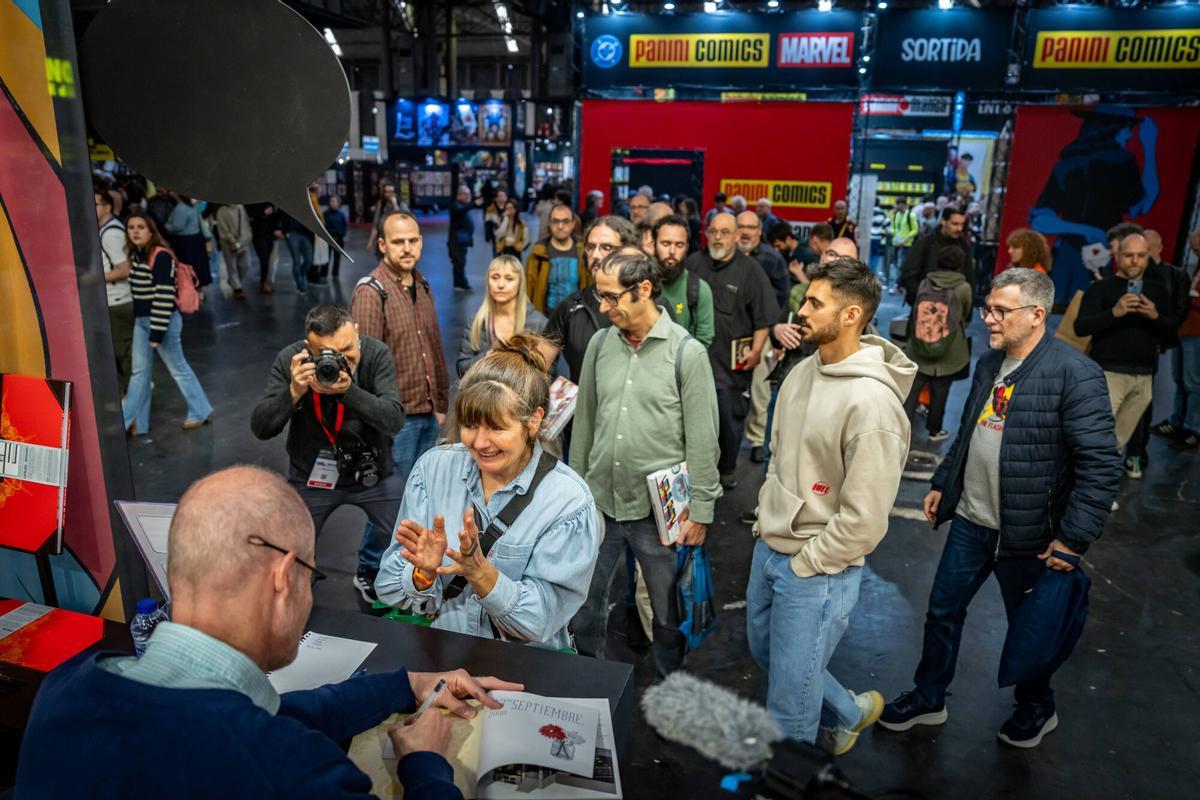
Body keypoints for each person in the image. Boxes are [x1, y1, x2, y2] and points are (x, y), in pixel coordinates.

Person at [16, 464, 518, 799]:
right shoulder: (291, 771)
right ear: (282, 579)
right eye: (311, 576)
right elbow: (256, 734)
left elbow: (266, 714)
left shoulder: (63, 690)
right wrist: (426, 767)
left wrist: (403, 684)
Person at [880, 268, 1122, 748]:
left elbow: (1101, 466)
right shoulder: (991, 363)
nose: (987, 319)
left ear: (1037, 315)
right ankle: (930, 697)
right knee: (942, 612)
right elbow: (970, 429)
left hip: (1030, 534)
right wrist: (944, 483)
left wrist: (1073, 538)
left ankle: (1037, 706)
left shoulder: (1075, 375)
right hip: (972, 521)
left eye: (999, 311)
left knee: (1031, 630)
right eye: (988, 308)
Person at [749, 257, 914, 754]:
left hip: (817, 572)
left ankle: (786, 781)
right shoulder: (802, 372)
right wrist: (764, 520)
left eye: (815, 303)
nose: (802, 310)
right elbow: (780, 459)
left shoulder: (873, 405)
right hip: (770, 548)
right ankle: (850, 710)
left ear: (851, 315)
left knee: (788, 709)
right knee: (770, 658)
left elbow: (864, 520)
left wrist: (808, 564)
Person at [376, 336, 601, 649]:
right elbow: (387, 585)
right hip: (442, 658)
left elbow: (540, 620)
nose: (479, 443)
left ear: (533, 421)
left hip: (524, 672)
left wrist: (481, 573)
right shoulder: (434, 469)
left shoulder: (567, 503)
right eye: (469, 424)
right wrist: (422, 576)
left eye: (496, 427)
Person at [569, 250, 721, 675]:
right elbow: (584, 424)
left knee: (669, 614)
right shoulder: (601, 345)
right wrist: (575, 492)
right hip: (599, 505)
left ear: (645, 291)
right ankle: (586, 679)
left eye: (613, 297)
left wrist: (702, 511)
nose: (604, 307)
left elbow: (704, 441)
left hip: (661, 516)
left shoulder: (686, 355)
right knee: (583, 604)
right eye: (600, 296)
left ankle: (672, 683)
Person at [250, 304, 406, 597]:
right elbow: (261, 427)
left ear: (358, 333)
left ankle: (406, 597)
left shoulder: (375, 354)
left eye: (347, 349)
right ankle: (294, 608)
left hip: (372, 473)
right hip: (311, 475)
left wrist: (349, 392)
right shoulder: (291, 360)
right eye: (329, 354)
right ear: (309, 347)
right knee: (291, 554)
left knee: (410, 540)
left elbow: (394, 420)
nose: (340, 361)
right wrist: (294, 392)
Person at [350, 212, 450, 603]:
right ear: (383, 244)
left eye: (413, 240)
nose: (407, 248)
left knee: (420, 498)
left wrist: (441, 402)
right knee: (392, 500)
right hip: (396, 418)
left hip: (428, 410)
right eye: (398, 241)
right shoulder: (371, 292)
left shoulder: (422, 285)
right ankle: (369, 568)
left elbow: (433, 349)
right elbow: (364, 365)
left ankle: (403, 568)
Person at [682, 212, 778, 489]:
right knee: (691, 422)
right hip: (693, 363)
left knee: (729, 421)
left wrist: (757, 350)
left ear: (736, 236)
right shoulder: (693, 264)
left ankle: (726, 471)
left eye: (725, 232)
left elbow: (763, 318)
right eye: (713, 231)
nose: (718, 238)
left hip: (730, 366)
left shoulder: (750, 270)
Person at [1073, 233, 1177, 453]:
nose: (1135, 260)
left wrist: (1154, 315)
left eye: (1140, 255)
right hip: (1108, 373)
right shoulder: (1101, 288)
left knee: (1117, 442)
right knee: (1094, 437)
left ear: (1148, 256)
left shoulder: (1157, 290)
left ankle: (1102, 480)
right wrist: (1114, 312)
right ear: (1118, 256)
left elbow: (1170, 331)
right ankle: (1080, 482)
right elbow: (1080, 327)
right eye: (1129, 255)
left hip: (1144, 375)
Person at [122, 211, 213, 435]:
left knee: (178, 369)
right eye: (131, 227)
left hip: (162, 321)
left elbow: (164, 295)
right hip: (142, 322)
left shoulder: (161, 256)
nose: (135, 231)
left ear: (151, 231)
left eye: (141, 227)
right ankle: (138, 423)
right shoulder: (137, 255)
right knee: (139, 373)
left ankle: (199, 410)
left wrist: (156, 333)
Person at [541, 215, 640, 383]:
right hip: (585, 406)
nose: (595, 255)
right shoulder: (570, 306)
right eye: (591, 247)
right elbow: (540, 365)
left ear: (628, 253)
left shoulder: (648, 303)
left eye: (606, 247)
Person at [902, 248, 974, 441]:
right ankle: (934, 431)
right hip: (949, 351)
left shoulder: (926, 282)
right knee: (940, 392)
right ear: (960, 264)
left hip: (919, 345)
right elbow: (966, 312)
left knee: (912, 392)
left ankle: (900, 429)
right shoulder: (964, 287)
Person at [458, 255, 547, 377]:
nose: (500, 284)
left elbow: (546, 374)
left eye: (509, 279)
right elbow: (462, 369)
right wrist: (490, 353)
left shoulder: (538, 323)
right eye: (495, 277)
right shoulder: (477, 320)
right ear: (488, 282)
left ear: (520, 283)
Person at [1152, 228, 1200, 450]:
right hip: (1183, 331)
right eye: (1193, 248)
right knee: (1179, 379)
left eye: (1197, 248)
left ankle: (1193, 429)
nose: (1194, 252)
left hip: (1197, 333)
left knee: (1193, 382)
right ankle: (1176, 421)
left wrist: (1190, 298)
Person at [654, 214, 714, 347]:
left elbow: (704, 340)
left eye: (679, 245)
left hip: (681, 365)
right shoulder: (640, 284)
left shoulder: (699, 289)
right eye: (665, 243)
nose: (672, 251)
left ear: (687, 248)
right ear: (654, 244)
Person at [96, 188, 133, 394]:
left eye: (96, 205)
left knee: (123, 351)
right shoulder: (106, 230)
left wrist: (93, 278)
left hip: (119, 299)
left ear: (108, 207)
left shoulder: (110, 234)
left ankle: (133, 398)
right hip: (114, 299)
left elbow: (124, 269)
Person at [900, 207, 974, 306]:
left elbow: (969, 275)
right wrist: (921, 297)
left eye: (962, 224)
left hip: (954, 306)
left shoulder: (963, 245)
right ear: (943, 221)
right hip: (925, 304)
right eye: (955, 224)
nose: (959, 229)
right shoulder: (926, 242)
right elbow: (908, 273)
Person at [526, 203, 588, 314]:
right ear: (550, 224)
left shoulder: (583, 252)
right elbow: (528, 288)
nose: (560, 226)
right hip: (545, 320)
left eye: (565, 221)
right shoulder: (539, 253)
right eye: (555, 221)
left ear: (573, 224)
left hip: (577, 318)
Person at [163, 193, 211, 290]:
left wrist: (167, 226)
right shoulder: (191, 205)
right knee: (198, 267)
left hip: (186, 243)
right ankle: (198, 290)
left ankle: (192, 293)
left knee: (188, 269)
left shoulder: (181, 208)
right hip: (195, 240)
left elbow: (177, 226)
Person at [215, 202, 253, 300]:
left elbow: (245, 223)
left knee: (246, 264)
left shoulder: (240, 207)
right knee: (231, 265)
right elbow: (223, 230)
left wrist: (245, 238)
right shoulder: (221, 211)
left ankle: (235, 282)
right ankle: (237, 288)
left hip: (243, 240)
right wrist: (233, 242)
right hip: (228, 243)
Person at [277, 209, 315, 292]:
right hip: (291, 232)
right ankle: (300, 284)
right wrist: (278, 228)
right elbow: (279, 214)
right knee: (296, 260)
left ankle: (300, 275)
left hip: (305, 233)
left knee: (309, 260)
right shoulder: (286, 201)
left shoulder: (305, 199)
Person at [888, 197, 919, 294]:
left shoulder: (911, 215)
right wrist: (893, 233)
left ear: (904, 204)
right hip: (896, 243)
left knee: (902, 265)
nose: (897, 206)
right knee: (897, 265)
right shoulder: (896, 214)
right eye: (897, 204)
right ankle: (901, 285)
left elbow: (915, 230)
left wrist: (906, 238)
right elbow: (893, 228)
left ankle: (898, 285)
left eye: (899, 204)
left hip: (907, 244)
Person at [448, 184, 476, 291]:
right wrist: (474, 204)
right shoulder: (455, 205)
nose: (468, 196)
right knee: (459, 262)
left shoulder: (462, 205)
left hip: (462, 241)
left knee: (460, 262)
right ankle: (460, 283)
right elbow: (460, 210)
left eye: (469, 194)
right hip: (456, 241)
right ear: (459, 195)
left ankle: (460, 283)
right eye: (466, 194)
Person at [245, 201, 277, 294]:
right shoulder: (251, 199)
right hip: (258, 232)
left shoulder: (269, 198)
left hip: (269, 232)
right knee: (264, 258)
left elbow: (274, 211)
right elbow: (248, 212)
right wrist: (263, 212)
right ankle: (263, 282)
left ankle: (264, 281)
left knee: (267, 258)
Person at [322, 195, 349, 278]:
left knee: (337, 258)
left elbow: (344, 225)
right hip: (329, 238)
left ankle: (335, 274)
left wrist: (342, 234)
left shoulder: (341, 214)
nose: (332, 203)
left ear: (338, 203)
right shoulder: (325, 214)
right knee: (326, 257)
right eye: (331, 201)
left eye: (334, 201)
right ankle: (323, 274)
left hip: (339, 238)